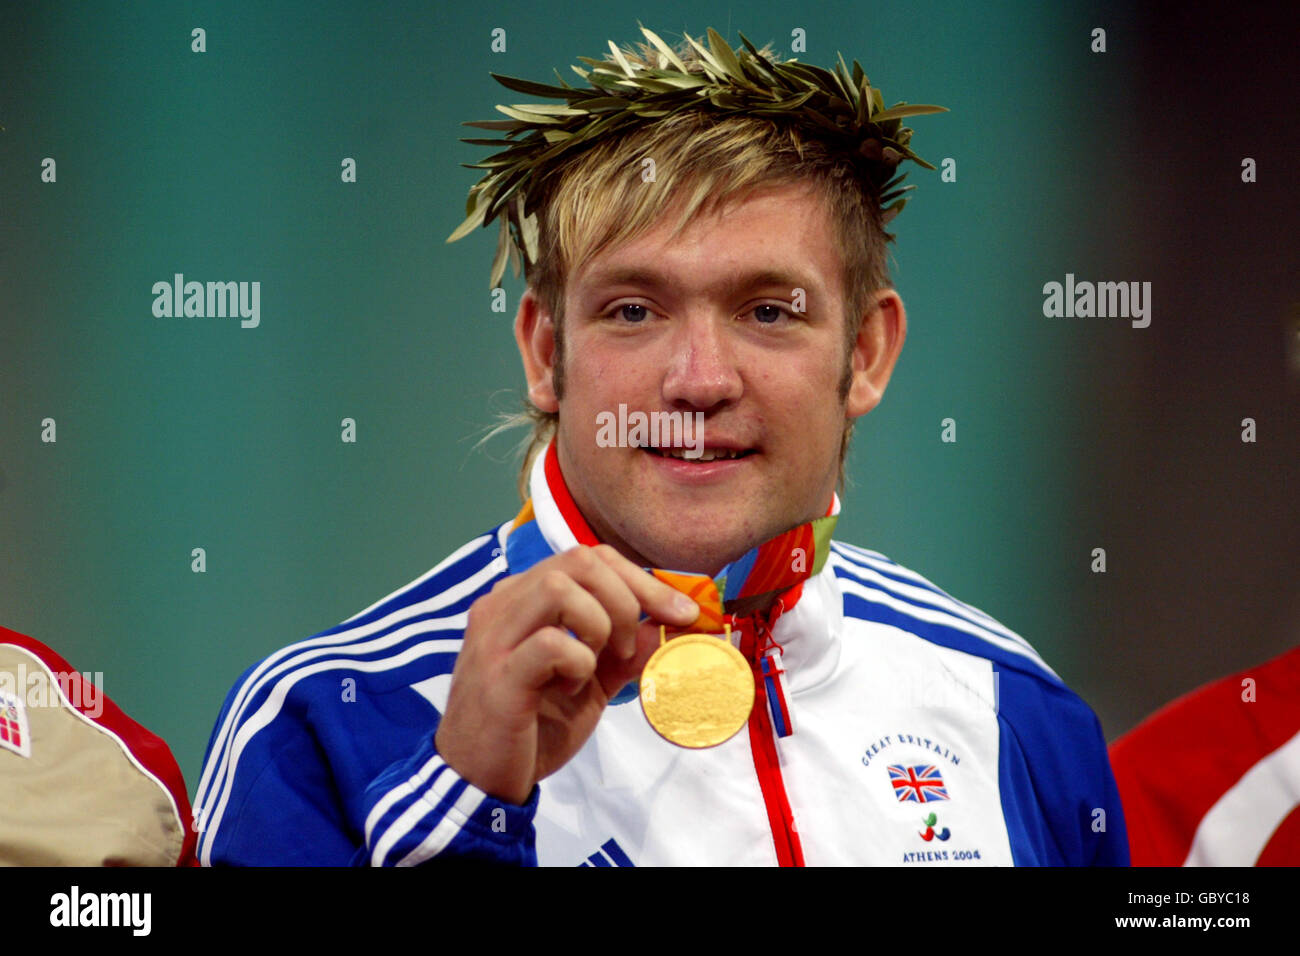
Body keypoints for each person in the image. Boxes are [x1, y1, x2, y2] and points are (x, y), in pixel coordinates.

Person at [194, 27, 1127, 866]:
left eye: (768, 311)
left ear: (868, 353)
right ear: (547, 354)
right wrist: (465, 799)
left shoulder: (1013, 709)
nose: (698, 379)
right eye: (633, 311)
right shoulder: (322, 723)